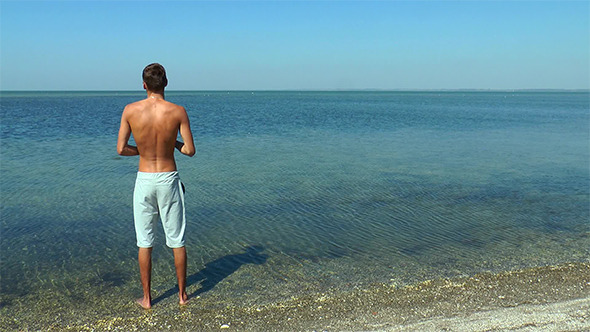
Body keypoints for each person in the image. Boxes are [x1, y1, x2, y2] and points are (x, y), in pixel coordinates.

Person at [117, 63, 195, 309]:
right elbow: (190, 151)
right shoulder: (178, 111)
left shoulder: (130, 110)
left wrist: (141, 149)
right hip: (169, 178)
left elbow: (121, 149)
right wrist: (172, 143)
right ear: (166, 83)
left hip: (145, 178)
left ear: (143, 85)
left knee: (145, 241)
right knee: (177, 240)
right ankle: (182, 296)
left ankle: (148, 299)